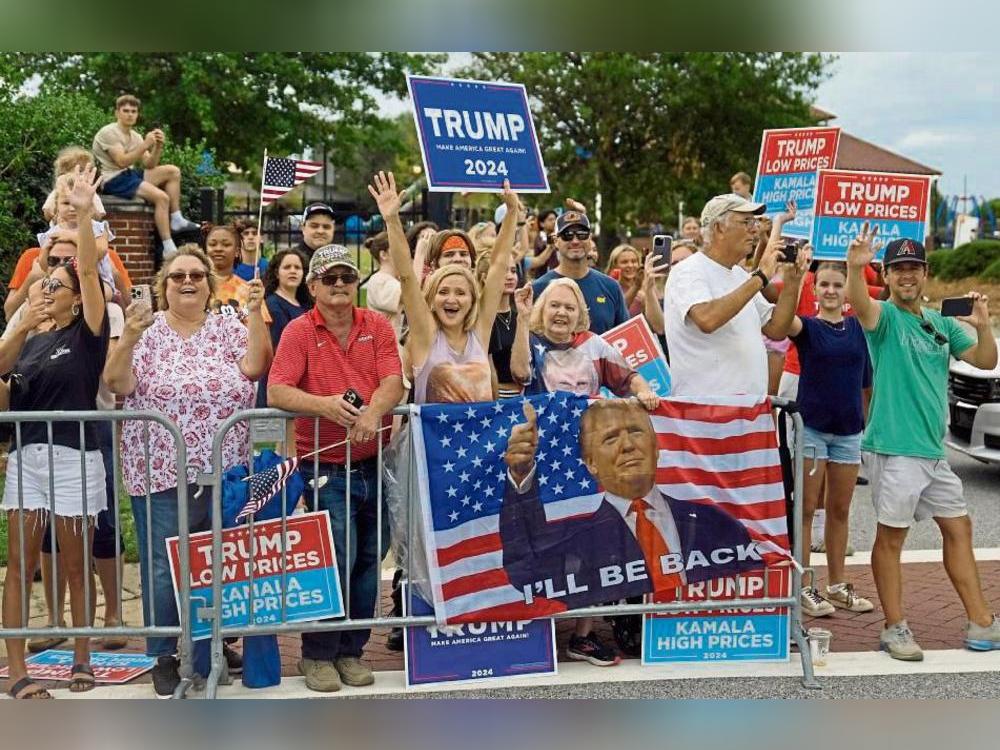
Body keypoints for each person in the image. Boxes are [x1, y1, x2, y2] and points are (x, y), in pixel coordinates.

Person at [103, 244, 270, 696]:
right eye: (177, 276)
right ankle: (164, 652)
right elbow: (117, 383)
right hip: (159, 471)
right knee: (162, 565)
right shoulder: (147, 330)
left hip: (225, 471)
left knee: (218, 560)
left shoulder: (226, 327)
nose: (188, 281)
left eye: (197, 274)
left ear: (210, 284)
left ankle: (212, 644)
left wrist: (256, 313)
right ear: (164, 286)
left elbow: (256, 366)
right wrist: (131, 338)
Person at [846, 231, 1000, 660]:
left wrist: (984, 328)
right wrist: (855, 266)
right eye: (898, 269)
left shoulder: (942, 323)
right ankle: (894, 628)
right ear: (888, 276)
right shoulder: (885, 319)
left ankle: (982, 624)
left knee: (959, 527)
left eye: (914, 268)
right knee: (892, 538)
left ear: (926, 273)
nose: (907, 276)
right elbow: (860, 304)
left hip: (933, 452)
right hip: (894, 448)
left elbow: (985, 361)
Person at [267, 244, 404, 693]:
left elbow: (392, 381)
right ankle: (318, 655)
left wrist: (371, 413)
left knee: (368, 561)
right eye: (330, 279)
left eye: (347, 277)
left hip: (372, 463)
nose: (340, 285)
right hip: (323, 467)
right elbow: (278, 390)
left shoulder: (377, 324)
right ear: (313, 287)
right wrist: (325, 406)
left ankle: (352, 650)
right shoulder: (299, 332)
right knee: (334, 561)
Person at [509, 281, 659, 666]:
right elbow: (518, 372)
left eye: (570, 307)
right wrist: (524, 321)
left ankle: (584, 636)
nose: (562, 313)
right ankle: (538, 627)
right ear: (543, 308)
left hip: (588, 462)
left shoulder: (595, 346)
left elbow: (629, 378)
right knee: (542, 545)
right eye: (555, 305)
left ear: (580, 314)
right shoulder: (531, 340)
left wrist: (644, 392)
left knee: (594, 544)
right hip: (542, 461)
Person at [2, 166, 109, 699]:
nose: (50, 285)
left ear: (73, 296)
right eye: (46, 280)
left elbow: (90, 274)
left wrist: (85, 213)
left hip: (76, 457)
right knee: (20, 565)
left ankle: (82, 659)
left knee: (74, 563)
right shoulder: (27, 335)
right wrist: (21, 321)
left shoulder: (88, 331)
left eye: (58, 283)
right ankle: (18, 666)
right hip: (26, 459)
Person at [502, 399, 759, 611]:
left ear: (656, 446)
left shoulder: (714, 523)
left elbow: (752, 580)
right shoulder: (577, 541)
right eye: (611, 438)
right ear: (591, 463)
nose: (627, 446)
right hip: (631, 646)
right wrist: (520, 475)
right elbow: (526, 570)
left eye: (636, 432)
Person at [371, 171, 518, 405]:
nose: (452, 299)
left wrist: (512, 213)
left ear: (472, 301)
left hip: (478, 440)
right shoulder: (425, 334)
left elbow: (499, 264)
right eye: (443, 292)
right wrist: (392, 220)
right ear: (431, 298)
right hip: (432, 441)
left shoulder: (480, 331)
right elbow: (407, 277)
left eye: (461, 293)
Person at [783, 262, 874, 617]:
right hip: (813, 430)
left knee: (839, 510)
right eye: (824, 284)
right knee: (805, 511)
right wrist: (792, 280)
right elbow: (782, 320)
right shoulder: (807, 326)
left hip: (849, 433)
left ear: (847, 289)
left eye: (838, 284)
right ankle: (805, 587)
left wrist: (867, 422)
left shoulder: (859, 328)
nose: (832, 290)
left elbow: (867, 384)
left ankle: (837, 586)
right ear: (815, 288)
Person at [663, 194, 807, 398]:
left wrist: (793, 284)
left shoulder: (739, 275)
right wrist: (760, 277)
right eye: (746, 221)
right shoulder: (688, 271)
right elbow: (707, 318)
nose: (755, 229)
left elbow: (777, 329)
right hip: (707, 415)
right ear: (719, 228)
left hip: (746, 413)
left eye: (754, 222)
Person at [91, 94, 198, 258]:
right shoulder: (109, 132)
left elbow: (149, 164)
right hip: (112, 179)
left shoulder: (135, 136)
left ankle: (176, 218)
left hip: (129, 175)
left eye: (133, 111)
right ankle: (168, 247)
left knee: (173, 171)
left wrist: (158, 147)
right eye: (125, 110)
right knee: (162, 198)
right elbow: (121, 161)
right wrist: (146, 144)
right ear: (117, 113)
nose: (130, 114)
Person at [532, 211, 629, 335]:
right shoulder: (539, 288)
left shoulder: (611, 286)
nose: (575, 241)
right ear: (556, 240)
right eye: (567, 235)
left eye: (582, 234)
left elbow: (627, 337)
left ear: (590, 239)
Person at [257, 249, 312, 407]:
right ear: (276, 272)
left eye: (298, 267)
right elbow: (277, 347)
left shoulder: (305, 305)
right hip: (279, 379)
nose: (293, 271)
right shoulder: (273, 305)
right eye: (287, 267)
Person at [476, 251, 523, 399]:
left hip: (526, 396)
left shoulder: (522, 315)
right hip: (494, 398)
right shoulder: (479, 319)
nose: (510, 276)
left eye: (513, 271)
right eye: (503, 271)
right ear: (484, 278)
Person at [42, 146, 106, 222]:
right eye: (69, 172)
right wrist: (56, 217)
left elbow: (98, 216)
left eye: (81, 172)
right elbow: (47, 213)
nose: (75, 176)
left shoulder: (89, 192)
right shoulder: (59, 191)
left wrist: (90, 208)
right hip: (62, 231)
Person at [204, 224, 251, 316]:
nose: (218, 249)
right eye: (212, 244)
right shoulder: (194, 287)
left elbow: (262, 329)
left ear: (237, 252)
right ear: (205, 250)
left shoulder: (248, 291)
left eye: (226, 245)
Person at [363, 232, 403, 338]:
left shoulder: (393, 280)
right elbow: (410, 296)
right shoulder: (379, 280)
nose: (404, 253)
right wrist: (419, 256)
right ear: (384, 255)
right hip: (386, 348)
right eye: (398, 248)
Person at [605, 244, 645, 317]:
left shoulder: (646, 286)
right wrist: (636, 286)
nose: (630, 265)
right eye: (624, 262)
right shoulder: (608, 288)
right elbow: (618, 312)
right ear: (614, 265)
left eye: (634, 261)